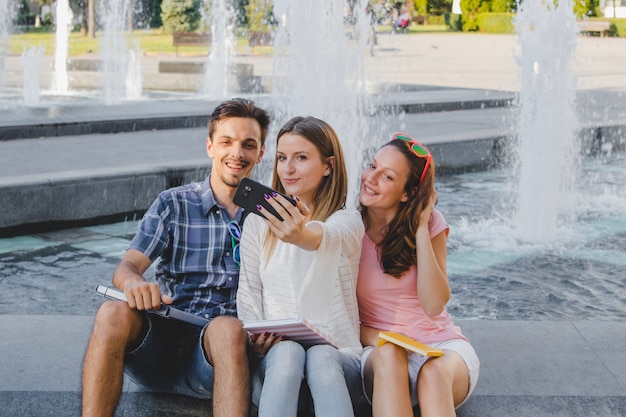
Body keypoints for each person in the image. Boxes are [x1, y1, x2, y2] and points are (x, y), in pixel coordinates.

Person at [81, 98, 270, 417]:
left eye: (248, 145)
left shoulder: (270, 213)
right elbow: (127, 267)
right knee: (113, 311)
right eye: (226, 142)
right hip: (159, 348)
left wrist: (269, 330)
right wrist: (135, 283)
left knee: (227, 328)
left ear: (260, 153)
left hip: (221, 355)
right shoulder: (173, 203)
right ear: (210, 146)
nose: (236, 153)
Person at [236, 116, 364, 417]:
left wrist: (301, 235)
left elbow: (326, 237)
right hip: (277, 363)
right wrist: (257, 340)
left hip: (339, 363)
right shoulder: (257, 222)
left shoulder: (347, 220)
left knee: (321, 355)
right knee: (289, 351)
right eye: (282, 158)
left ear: (328, 166)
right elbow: (249, 295)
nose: (287, 169)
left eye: (301, 158)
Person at [356, 133, 480, 417]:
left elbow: (434, 304)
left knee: (433, 374)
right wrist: (385, 339)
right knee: (390, 355)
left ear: (407, 194)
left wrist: (421, 227)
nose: (370, 179)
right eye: (372, 166)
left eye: (387, 176)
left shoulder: (432, 223)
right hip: (381, 349)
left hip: (441, 347)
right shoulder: (349, 228)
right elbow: (339, 314)